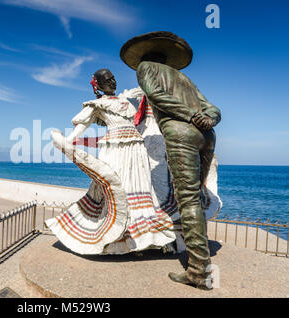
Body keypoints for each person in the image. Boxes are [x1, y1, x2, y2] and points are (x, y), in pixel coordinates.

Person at [120, 31, 222, 290]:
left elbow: (155, 95)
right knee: (196, 197)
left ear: (143, 54)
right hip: (208, 136)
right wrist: (207, 119)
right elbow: (213, 108)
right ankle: (200, 260)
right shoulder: (184, 78)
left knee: (187, 201)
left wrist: (189, 116)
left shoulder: (145, 68)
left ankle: (199, 272)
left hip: (181, 133)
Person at [46, 68, 177, 255]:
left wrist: (158, 68)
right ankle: (120, 241)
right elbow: (82, 125)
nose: (113, 82)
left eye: (113, 78)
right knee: (120, 188)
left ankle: (146, 238)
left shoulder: (128, 97)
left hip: (136, 149)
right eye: (108, 80)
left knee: (141, 189)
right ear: (98, 85)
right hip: (115, 150)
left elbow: (146, 87)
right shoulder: (96, 105)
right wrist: (67, 142)